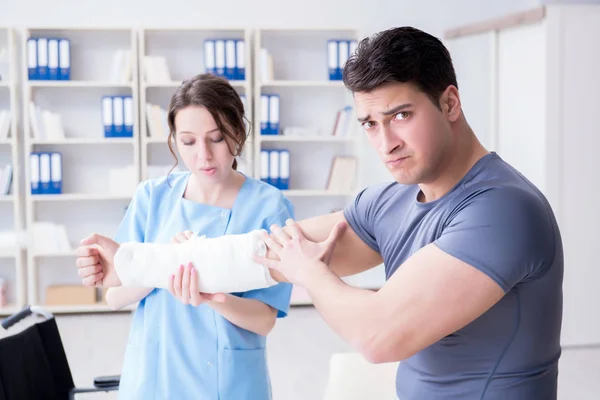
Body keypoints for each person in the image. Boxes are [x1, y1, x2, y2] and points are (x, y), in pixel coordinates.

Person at [77, 27, 563, 400]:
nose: (385, 143)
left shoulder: (503, 209)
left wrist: (307, 270)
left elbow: (377, 335)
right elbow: (263, 251)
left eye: (401, 115)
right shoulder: (391, 200)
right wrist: (130, 261)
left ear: (450, 102)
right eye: (370, 123)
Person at [77, 73, 294, 399]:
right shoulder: (152, 197)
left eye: (216, 138)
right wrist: (165, 263)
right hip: (154, 374)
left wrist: (214, 297)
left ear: (238, 131)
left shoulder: (270, 206)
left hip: (228, 381)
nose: (203, 155)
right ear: (175, 140)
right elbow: (114, 295)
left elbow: (265, 320)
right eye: (189, 141)